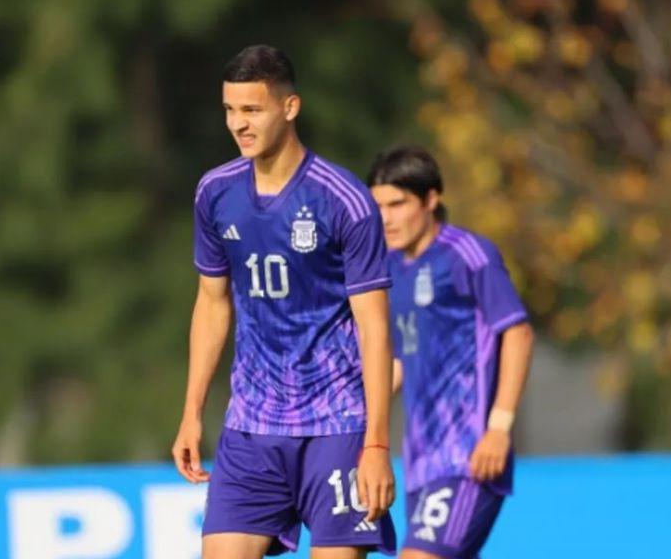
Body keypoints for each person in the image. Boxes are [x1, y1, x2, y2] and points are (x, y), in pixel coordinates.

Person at [171, 44, 397, 559]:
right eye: (230, 110)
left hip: (336, 426)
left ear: (290, 108)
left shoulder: (344, 200)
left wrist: (378, 445)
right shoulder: (215, 192)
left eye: (252, 110)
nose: (238, 124)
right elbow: (212, 302)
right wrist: (191, 412)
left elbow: (375, 330)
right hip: (251, 429)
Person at [368, 145, 534, 559]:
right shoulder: (390, 267)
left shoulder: (467, 255)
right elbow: (400, 361)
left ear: (430, 200)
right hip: (422, 459)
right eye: (378, 206)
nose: (385, 218)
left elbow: (518, 333)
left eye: (397, 204)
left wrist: (499, 427)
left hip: (469, 455)